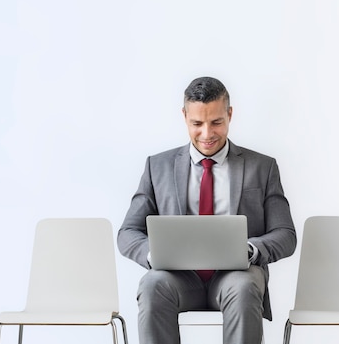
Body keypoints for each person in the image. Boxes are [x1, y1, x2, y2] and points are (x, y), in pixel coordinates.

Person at [117, 76, 296, 344]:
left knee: (245, 285)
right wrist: (154, 254)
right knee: (152, 285)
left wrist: (250, 250)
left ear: (230, 114)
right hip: (177, 279)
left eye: (216, 122)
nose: (207, 134)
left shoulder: (263, 167)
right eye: (197, 124)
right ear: (184, 116)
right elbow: (128, 232)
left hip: (236, 276)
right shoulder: (158, 167)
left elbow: (285, 234)